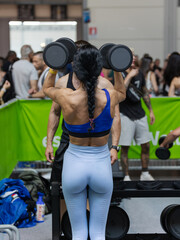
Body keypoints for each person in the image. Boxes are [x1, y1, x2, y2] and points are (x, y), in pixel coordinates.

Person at [43, 44, 125, 240]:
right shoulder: (110, 96)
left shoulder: (66, 96)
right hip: (101, 167)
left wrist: (54, 66)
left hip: (73, 167)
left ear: (75, 69)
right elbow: (121, 92)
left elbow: (46, 88)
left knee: (78, 233)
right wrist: (117, 68)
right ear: (99, 70)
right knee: (98, 234)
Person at [45, 40, 121, 183]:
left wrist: (115, 146)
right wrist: (49, 142)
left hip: (97, 144)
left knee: (92, 186)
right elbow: (54, 113)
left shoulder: (105, 84)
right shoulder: (62, 83)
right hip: (69, 138)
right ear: (72, 58)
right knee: (59, 184)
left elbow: (116, 116)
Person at [119, 51, 155, 181]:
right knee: (125, 148)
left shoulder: (140, 73)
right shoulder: (119, 73)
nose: (133, 58)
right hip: (125, 115)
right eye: (130, 55)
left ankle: (145, 173)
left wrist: (150, 110)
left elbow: (144, 92)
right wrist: (129, 77)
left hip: (140, 114)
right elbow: (120, 92)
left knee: (146, 145)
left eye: (134, 55)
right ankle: (126, 176)